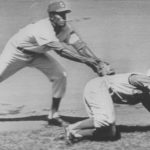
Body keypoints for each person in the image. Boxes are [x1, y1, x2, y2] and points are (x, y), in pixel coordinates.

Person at [0, 0, 112, 125]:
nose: (64, 17)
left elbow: (80, 47)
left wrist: (97, 62)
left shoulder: (66, 28)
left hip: (37, 53)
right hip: (16, 52)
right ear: (51, 16)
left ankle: (53, 115)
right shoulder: (43, 28)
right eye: (60, 14)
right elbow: (62, 51)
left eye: (65, 14)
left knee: (60, 75)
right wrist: (90, 62)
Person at [65, 72, 150, 144]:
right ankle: (71, 127)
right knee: (107, 120)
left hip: (97, 90)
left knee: (109, 133)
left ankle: (76, 134)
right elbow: (138, 80)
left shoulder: (145, 91)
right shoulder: (140, 79)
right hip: (98, 86)